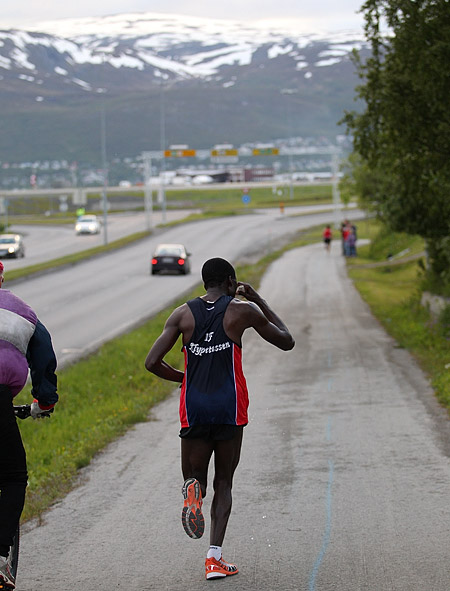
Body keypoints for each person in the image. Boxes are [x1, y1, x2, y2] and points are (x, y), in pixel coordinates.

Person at [145, 257, 294, 580]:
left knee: (196, 476)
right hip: (228, 407)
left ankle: (192, 491)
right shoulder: (242, 310)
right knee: (224, 482)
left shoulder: (181, 315)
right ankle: (214, 558)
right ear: (230, 282)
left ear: (203, 284)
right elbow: (286, 341)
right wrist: (258, 299)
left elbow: (152, 362)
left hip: (195, 407)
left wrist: (183, 378)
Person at [0, 261, 58, 589]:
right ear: (1, 277)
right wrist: (44, 401)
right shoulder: (20, 310)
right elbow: (44, 358)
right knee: (12, 477)